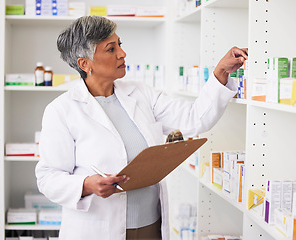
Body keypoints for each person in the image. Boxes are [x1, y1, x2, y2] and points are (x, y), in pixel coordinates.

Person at [35, 15, 248, 240]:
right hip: (98, 229)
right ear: (85, 64)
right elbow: (48, 178)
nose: (122, 53)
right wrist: (87, 184)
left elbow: (194, 119)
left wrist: (221, 72)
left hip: (151, 227)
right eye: (110, 49)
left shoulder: (140, 93)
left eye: (120, 44)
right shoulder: (62, 110)